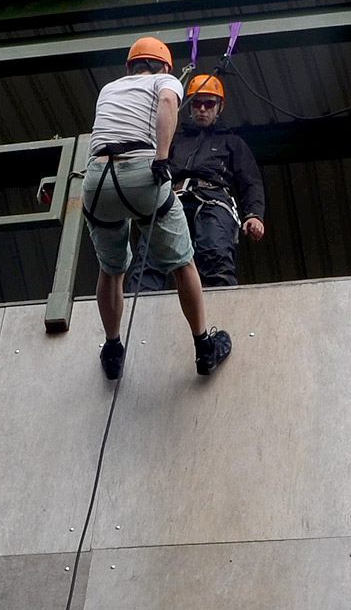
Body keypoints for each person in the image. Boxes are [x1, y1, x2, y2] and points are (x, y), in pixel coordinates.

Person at [82, 37, 232, 380]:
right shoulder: (164, 81)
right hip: (140, 170)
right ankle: (203, 345)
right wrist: (162, 157)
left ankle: (112, 346)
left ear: (129, 66)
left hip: (97, 178)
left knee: (111, 269)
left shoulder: (109, 88)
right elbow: (166, 101)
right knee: (183, 263)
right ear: (165, 66)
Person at [128, 74, 266, 292]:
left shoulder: (232, 143)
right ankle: (141, 310)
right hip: (173, 198)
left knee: (215, 254)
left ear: (219, 106)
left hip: (214, 201)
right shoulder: (174, 139)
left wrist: (254, 214)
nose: (202, 109)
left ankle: (220, 311)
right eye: (197, 103)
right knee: (151, 256)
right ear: (189, 107)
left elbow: (250, 182)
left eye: (209, 103)